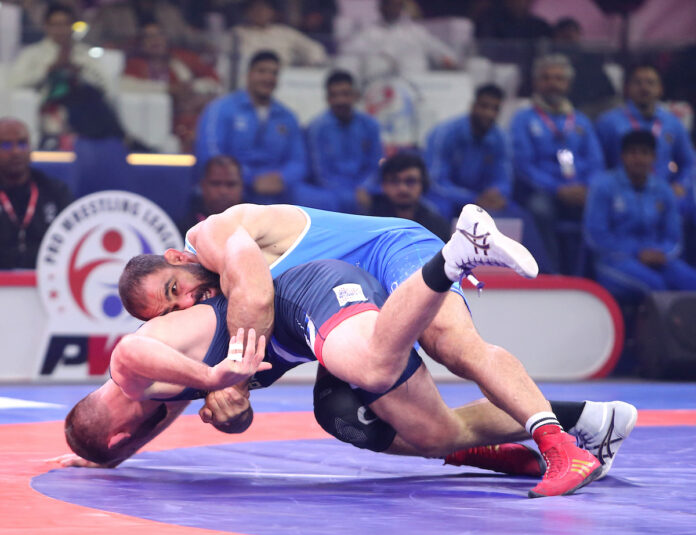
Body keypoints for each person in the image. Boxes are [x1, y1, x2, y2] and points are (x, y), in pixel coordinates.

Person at [73, 221, 617, 497]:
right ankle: (585, 420)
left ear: (178, 258)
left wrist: (220, 375)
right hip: (318, 317)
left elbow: (134, 352)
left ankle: (454, 256)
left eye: (175, 290)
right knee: (408, 428)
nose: (184, 305)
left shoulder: (137, 369)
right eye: (169, 307)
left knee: (441, 352)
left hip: (352, 268)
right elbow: (178, 416)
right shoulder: (161, 393)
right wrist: (111, 458)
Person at [425, 83, 552, 271]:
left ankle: (538, 272)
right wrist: (473, 199)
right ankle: (438, 269)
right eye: (484, 106)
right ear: (473, 106)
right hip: (447, 198)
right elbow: (436, 182)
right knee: (438, 212)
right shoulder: (445, 133)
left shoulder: (500, 138)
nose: (488, 113)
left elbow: (503, 179)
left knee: (520, 216)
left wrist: (497, 193)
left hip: (482, 200)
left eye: (495, 109)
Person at [510, 53, 604, 273]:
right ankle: (551, 273)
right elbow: (523, 166)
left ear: (568, 84)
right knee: (540, 210)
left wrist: (586, 187)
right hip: (542, 192)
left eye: (559, 78)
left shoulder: (581, 121)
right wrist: (558, 189)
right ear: (536, 83)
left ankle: (587, 274)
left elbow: (596, 162)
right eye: (546, 78)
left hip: (579, 191)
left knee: (601, 207)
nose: (552, 83)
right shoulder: (522, 119)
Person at [584, 130, 696, 304]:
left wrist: (661, 253)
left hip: (657, 257)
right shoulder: (604, 186)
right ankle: (659, 324)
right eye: (633, 152)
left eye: (645, 153)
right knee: (656, 286)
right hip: (615, 260)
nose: (638, 158)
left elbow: (674, 238)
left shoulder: (663, 189)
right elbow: (596, 236)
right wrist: (637, 252)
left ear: (654, 157)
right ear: (622, 156)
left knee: (691, 282)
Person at [194, 50, 306, 205]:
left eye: (274, 73)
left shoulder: (287, 117)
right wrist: (250, 179)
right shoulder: (220, 109)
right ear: (248, 75)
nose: (268, 78)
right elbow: (210, 153)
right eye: (262, 71)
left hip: (276, 189)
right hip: (232, 186)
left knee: (316, 199)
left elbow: (298, 161)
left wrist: (282, 179)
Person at [8, 3, 122, 150]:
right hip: (49, 103)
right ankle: (121, 139)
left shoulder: (84, 54)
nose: (61, 30)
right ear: (46, 26)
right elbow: (15, 82)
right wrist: (48, 70)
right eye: (56, 25)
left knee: (89, 98)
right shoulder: (32, 54)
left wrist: (80, 73)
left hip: (86, 102)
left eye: (65, 24)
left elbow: (106, 85)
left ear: (72, 26)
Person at [595, 63, 695, 212]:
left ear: (660, 89)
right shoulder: (608, 123)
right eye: (638, 82)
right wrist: (606, 189)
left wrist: (681, 184)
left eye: (650, 83)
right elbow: (598, 163)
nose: (644, 87)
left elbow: (689, 162)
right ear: (627, 88)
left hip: (664, 195)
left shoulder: (673, 123)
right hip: (620, 197)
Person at [120, 21, 222, 154]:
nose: (155, 40)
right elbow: (126, 85)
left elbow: (214, 82)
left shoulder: (183, 58)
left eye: (159, 35)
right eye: (148, 37)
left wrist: (194, 88)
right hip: (154, 122)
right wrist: (168, 89)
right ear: (140, 43)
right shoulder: (134, 64)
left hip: (188, 119)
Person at [299, 69, 383, 214]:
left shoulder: (370, 125)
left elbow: (375, 165)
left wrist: (364, 187)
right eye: (334, 95)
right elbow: (320, 174)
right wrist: (352, 195)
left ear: (355, 95)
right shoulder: (316, 128)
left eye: (345, 94)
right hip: (330, 193)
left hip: (365, 190)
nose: (340, 101)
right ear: (327, 98)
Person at [0, 118, 72, 269]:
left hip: (46, 277)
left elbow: (73, 242)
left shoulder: (55, 191)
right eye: (6, 145)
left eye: (22, 144)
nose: (16, 151)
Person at [341, 0, 458, 79]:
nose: (393, 8)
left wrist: (447, 60)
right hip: (380, 89)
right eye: (390, 4)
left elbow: (444, 54)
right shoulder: (368, 34)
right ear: (381, 7)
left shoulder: (416, 32)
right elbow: (347, 56)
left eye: (397, 5)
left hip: (416, 85)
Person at [369, 152, 451, 242]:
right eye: (394, 181)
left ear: (423, 184)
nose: (403, 188)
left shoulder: (437, 225)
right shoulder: (371, 224)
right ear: (383, 185)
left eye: (410, 181)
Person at [229, 0, 328, 68]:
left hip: (285, 79)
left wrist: (306, 67)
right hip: (248, 80)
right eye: (255, 9)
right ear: (247, 12)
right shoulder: (236, 33)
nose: (259, 12)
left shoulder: (285, 32)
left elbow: (315, 49)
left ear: (272, 12)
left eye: (264, 9)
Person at [177, 156, 244, 238]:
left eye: (230, 184)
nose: (223, 191)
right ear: (203, 186)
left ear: (241, 186)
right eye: (215, 183)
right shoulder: (185, 228)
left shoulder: (253, 222)